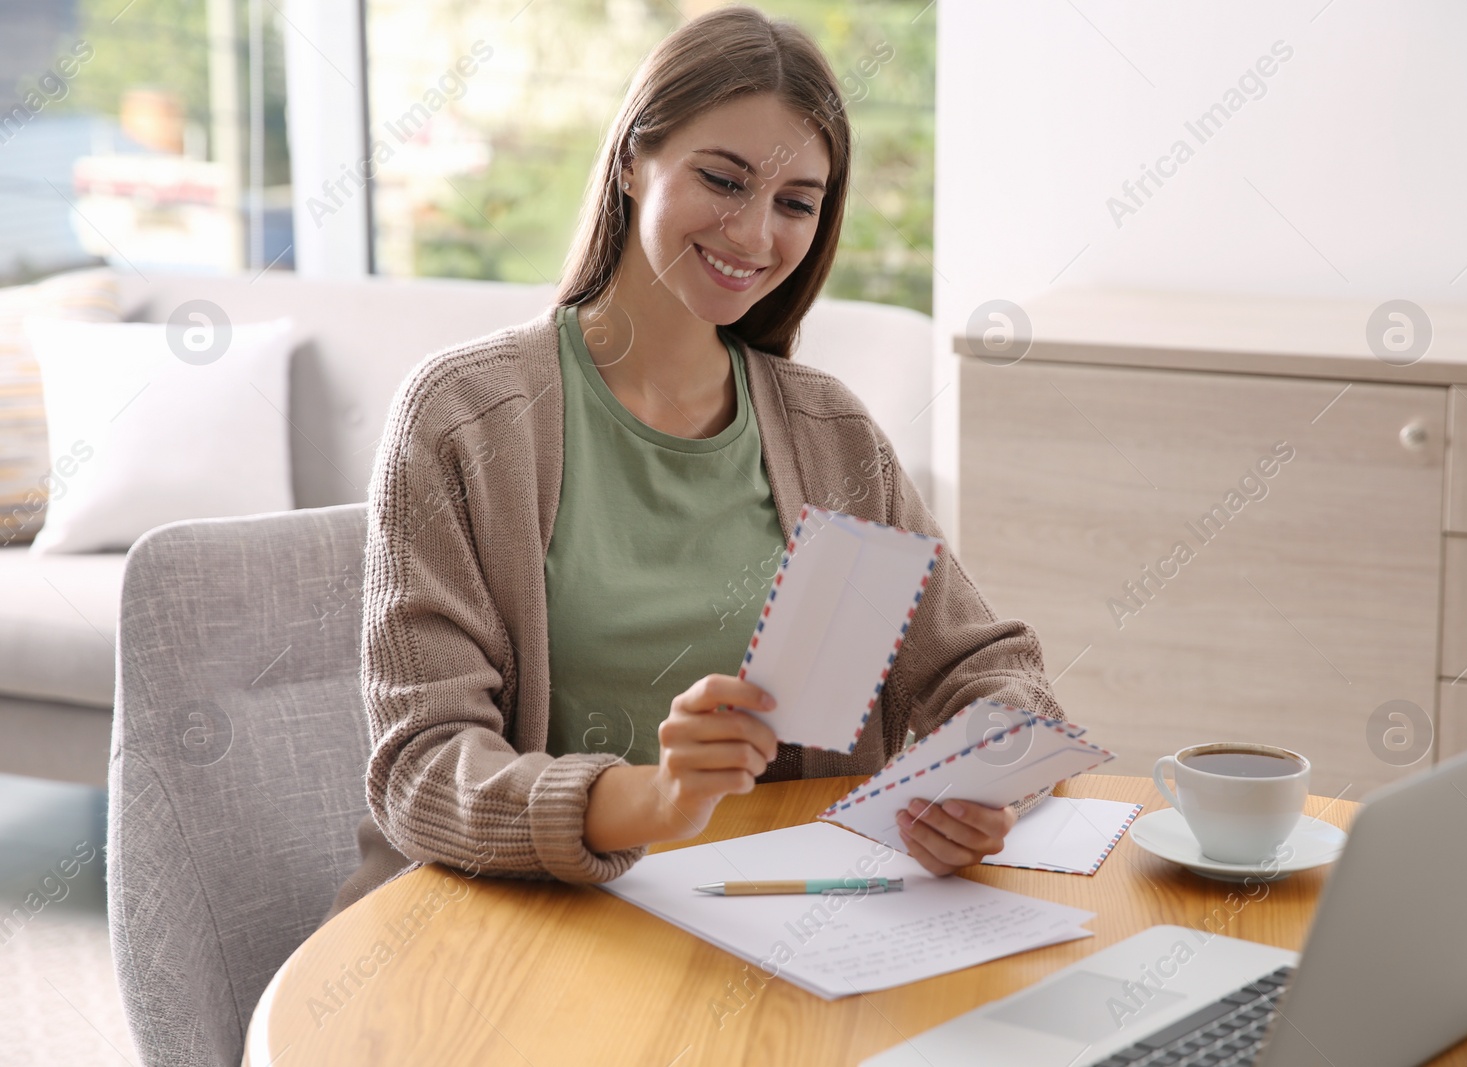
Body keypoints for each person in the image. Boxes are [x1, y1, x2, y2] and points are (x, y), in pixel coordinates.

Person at [323, 5, 1069, 925]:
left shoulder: (830, 434)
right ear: (634, 162)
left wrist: (982, 784)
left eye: (797, 201)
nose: (756, 235)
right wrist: (656, 800)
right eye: (724, 179)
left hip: (776, 918)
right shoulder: (465, 419)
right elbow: (423, 765)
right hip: (526, 921)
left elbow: (989, 667)